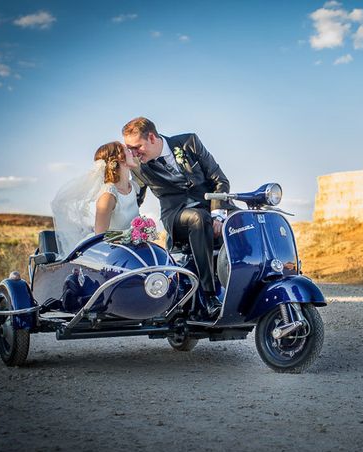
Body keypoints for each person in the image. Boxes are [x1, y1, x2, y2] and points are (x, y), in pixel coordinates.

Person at [122, 117, 231, 319]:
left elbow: (219, 180)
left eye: (136, 147)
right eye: (129, 148)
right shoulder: (138, 166)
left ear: (152, 137)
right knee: (198, 218)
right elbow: (134, 197)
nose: (133, 153)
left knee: (246, 220)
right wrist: (117, 217)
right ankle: (209, 296)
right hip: (177, 215)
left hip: (210, 207)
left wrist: (218, 214)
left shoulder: (189, 142)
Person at [51, 141, 140, 257]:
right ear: (119, 159)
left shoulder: (133, 187)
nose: (131, 152)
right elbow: (100, 238)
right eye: (126, 150)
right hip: (105, 253)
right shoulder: (108, 195)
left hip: (130, 250)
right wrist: (130, 236)